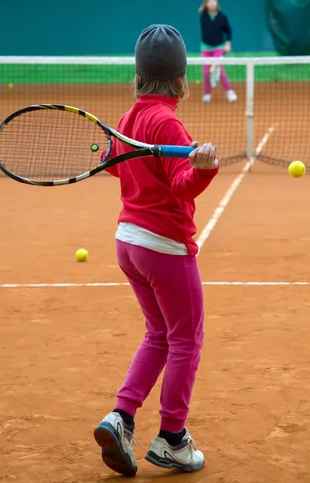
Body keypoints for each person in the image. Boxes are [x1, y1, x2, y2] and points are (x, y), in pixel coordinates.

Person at [93, 24, 219, 476]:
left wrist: (188, 162)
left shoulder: (129, 118)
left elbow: (117, 168)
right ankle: (171, 439)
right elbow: (182, 187)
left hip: (129, 243)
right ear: (182, 77)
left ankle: (121, 418)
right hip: (163, 246)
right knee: (186, 339)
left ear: (139, 75)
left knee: (159, 334)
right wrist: (202, 169)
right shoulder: (166, 121)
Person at [199, 0, 237, 103]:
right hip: (205, 48)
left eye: (214, 1)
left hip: (219, 48)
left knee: (219, 70)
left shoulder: (222, 17)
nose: (212, 3)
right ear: (206, 4)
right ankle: (207, 94)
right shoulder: (203, 16)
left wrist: (228, 44)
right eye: (209, 1)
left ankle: (230, 92)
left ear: (217, 3)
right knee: (206, 72)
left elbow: (228, 31)